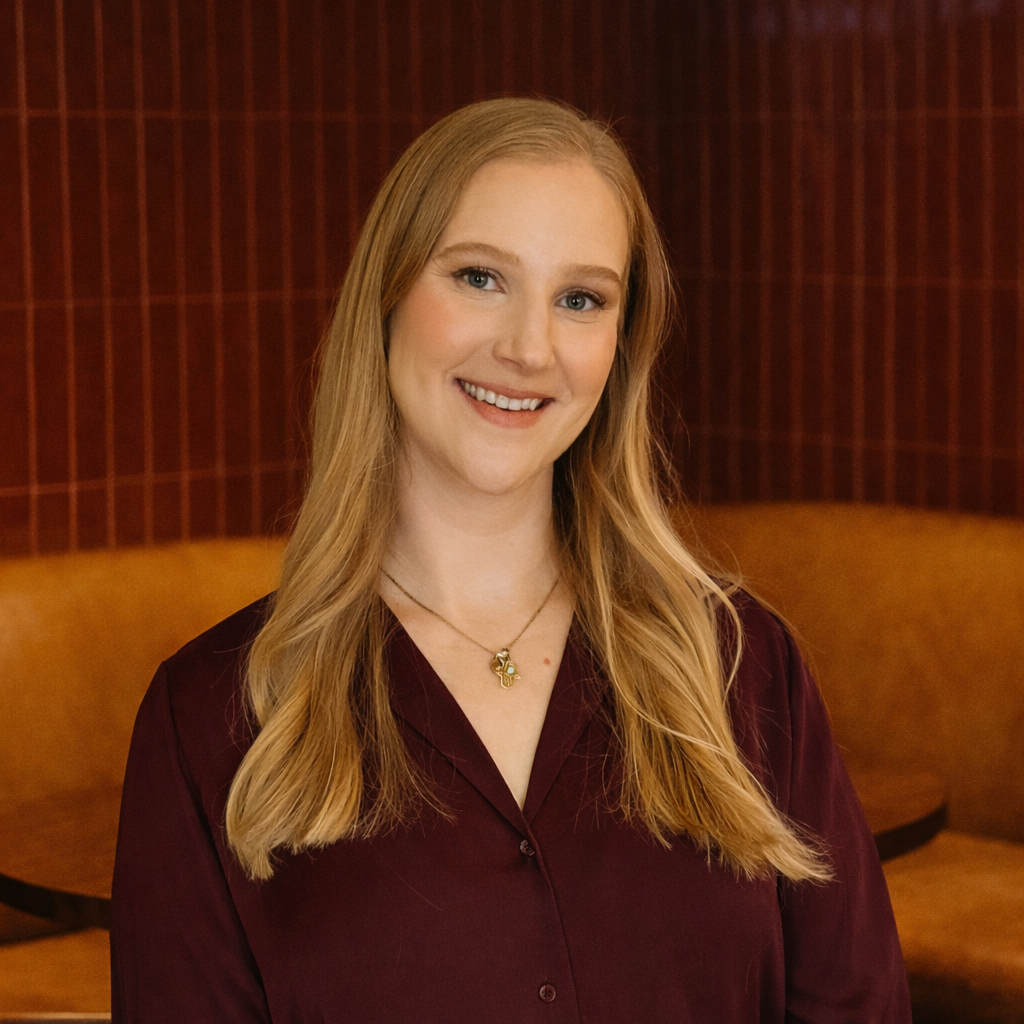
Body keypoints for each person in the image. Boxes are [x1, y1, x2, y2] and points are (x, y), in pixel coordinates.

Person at [111, 97, 911, 1023]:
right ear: (388, 293)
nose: (530, 348)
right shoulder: (208, 717)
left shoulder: (742, 665)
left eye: (581, 299)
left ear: (620, 346)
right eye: (481, 278)